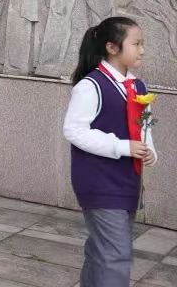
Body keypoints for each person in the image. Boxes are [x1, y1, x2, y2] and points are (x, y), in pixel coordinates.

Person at [63, 17, 159, 287]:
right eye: (136, 43)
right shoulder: (91, 86)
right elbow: (74, 131)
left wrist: (149, 150)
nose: (142, 50)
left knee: (102, 249)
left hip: (128, 180)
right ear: (112, 47)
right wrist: (122, 146)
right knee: (116, 254)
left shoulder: (138, 86)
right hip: (98, 180)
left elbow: (144, 129)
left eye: (143, 44)